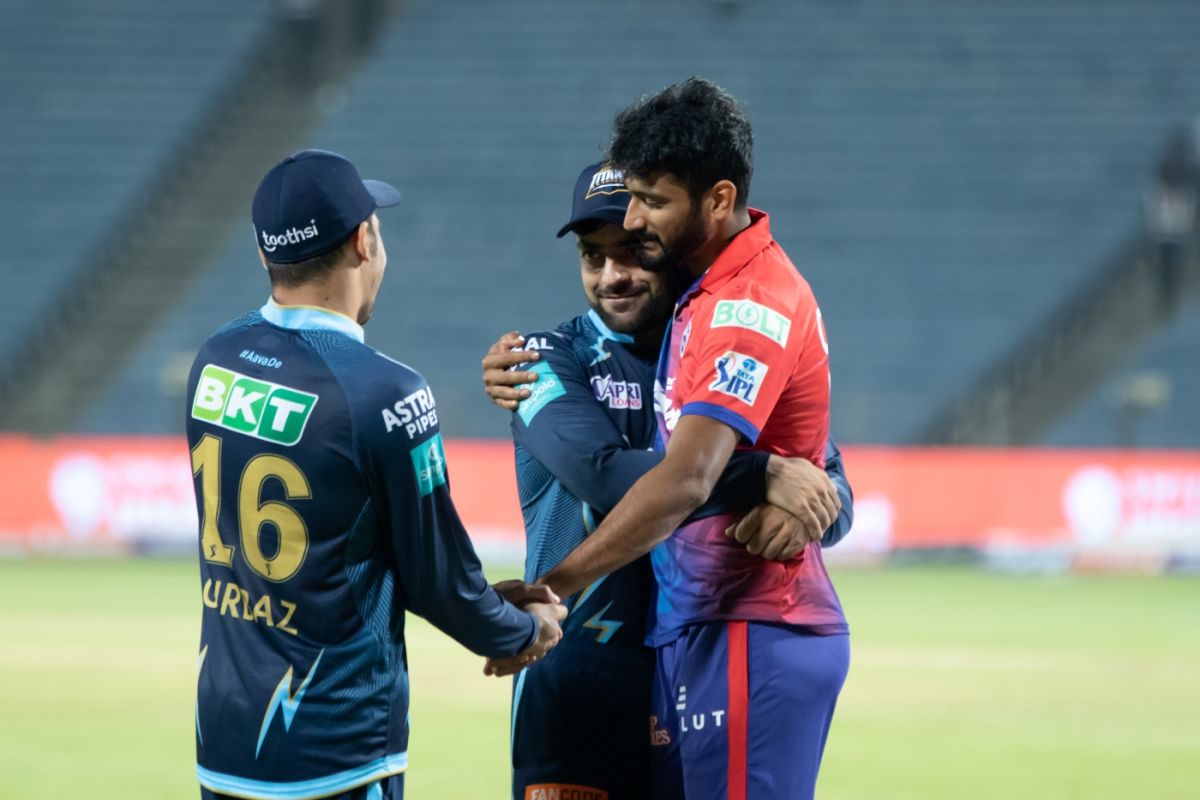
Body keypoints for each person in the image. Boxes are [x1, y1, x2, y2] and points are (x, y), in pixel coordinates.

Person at [501, 79, 850, 799]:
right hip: (579, 683)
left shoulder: (712, 332)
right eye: (592, 255)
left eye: (635, 243)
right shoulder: (537, 358)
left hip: (690, 649)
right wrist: (758, 478)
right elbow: (601, 474)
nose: (613, 273)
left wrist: (810, 493)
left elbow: (827, 483)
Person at [185, 149, 565, 800]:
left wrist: (487, 604)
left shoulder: (215, 359)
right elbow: (437, 579)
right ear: (365, 241)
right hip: (336, 752)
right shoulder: (386, 392)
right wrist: (525, 630)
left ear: (264, 255)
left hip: (221, 740)